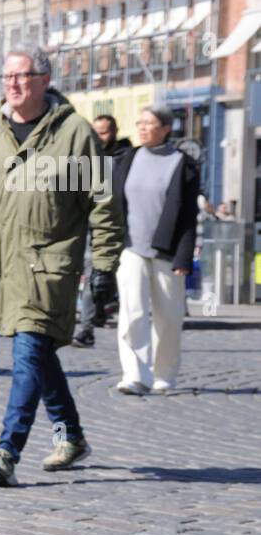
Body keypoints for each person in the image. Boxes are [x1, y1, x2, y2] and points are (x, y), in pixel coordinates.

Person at [0, 45, 123, 487]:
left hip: (50, 269)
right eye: (7, 77)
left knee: (28, 350)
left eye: (23, 76)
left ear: (45, 80)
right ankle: (70, 434)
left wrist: (105, 265)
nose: (13, 84)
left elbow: (103, 204)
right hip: (4, 269)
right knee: (39, 356)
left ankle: (6, 450)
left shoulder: (73, 134)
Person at [113, 106, 198, 395]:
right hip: (131, 248)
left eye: (149, 123)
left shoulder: (182, 163)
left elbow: (188, 216)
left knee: (170, 317)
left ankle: (164, 375)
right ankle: (134, 374)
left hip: (168, 251)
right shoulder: (127, 158)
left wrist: (184, 257)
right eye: (139, 123)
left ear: (165, 128)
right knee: (132, 312)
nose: (143, 128)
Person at [74, 114, 132, 346]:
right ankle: (86, 328)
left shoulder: (126, 157)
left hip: (126, 227)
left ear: (115, 130)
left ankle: (108, 311)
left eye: (105, 131)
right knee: (92, 277)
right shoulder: (86, 159)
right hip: (95, 230)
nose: (100, 136)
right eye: (96, 131)